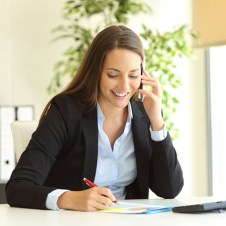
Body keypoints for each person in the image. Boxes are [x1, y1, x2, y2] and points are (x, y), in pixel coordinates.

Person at [5, 25, 184, 211]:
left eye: (133, 75)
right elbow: (18, 187)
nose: (124, 85)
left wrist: (156, 121)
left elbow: (169, 189)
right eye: (113, 75)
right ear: (95, 72)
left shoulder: (145, 112)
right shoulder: (66, 110)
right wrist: (68, 199)